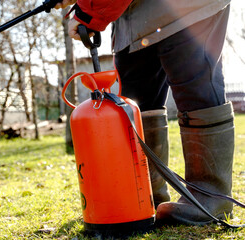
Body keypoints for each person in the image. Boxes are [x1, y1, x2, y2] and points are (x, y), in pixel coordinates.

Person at [55, 0, 234, 226]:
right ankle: (146, 196)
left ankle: (210, 197)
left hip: (186, 9)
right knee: (137, 103)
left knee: (196, 91)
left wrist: (89, 13)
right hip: (132, 21)